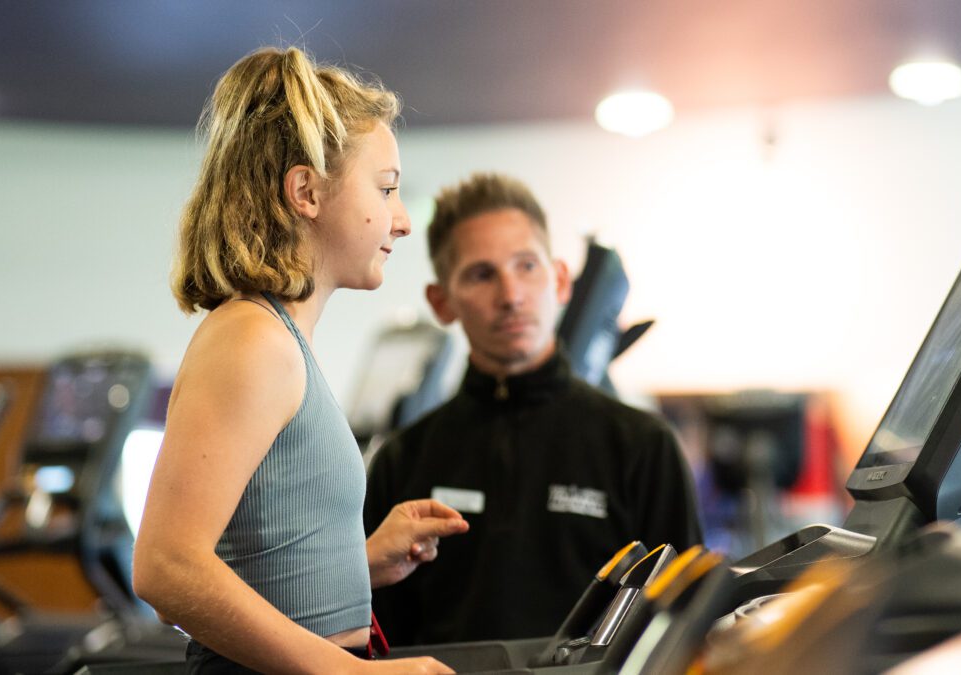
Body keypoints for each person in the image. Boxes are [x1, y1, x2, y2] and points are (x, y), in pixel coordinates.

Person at [132, 46, 467, 674]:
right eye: (387, 189)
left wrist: (355, 560)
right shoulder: (252, 340)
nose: (400, 221)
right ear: (306, 191)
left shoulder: (278, 336)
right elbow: (166, 569)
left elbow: (238, 560)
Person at [364, 172, 703, 645]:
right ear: (442, 302)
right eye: (482, 274)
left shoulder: (642, 446)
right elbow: (375, 635)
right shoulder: (402, 460)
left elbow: (684, 623)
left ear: (560, 279)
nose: (511, 295)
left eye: (527, 266)